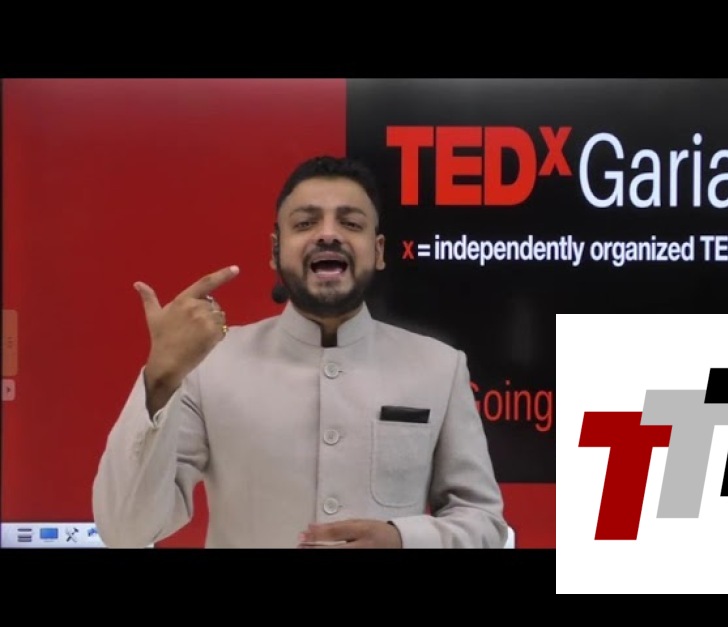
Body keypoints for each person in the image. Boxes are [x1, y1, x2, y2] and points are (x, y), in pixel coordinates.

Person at [92, 155, 508, 548]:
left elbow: (484, 522)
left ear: (379, 251)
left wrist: (403, 539)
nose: (328, 234)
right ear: (275, 251)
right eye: (306, 222)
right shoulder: (211, 364)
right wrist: (160, 378)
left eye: (350, 222)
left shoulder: (439, 367)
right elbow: (126, 531)